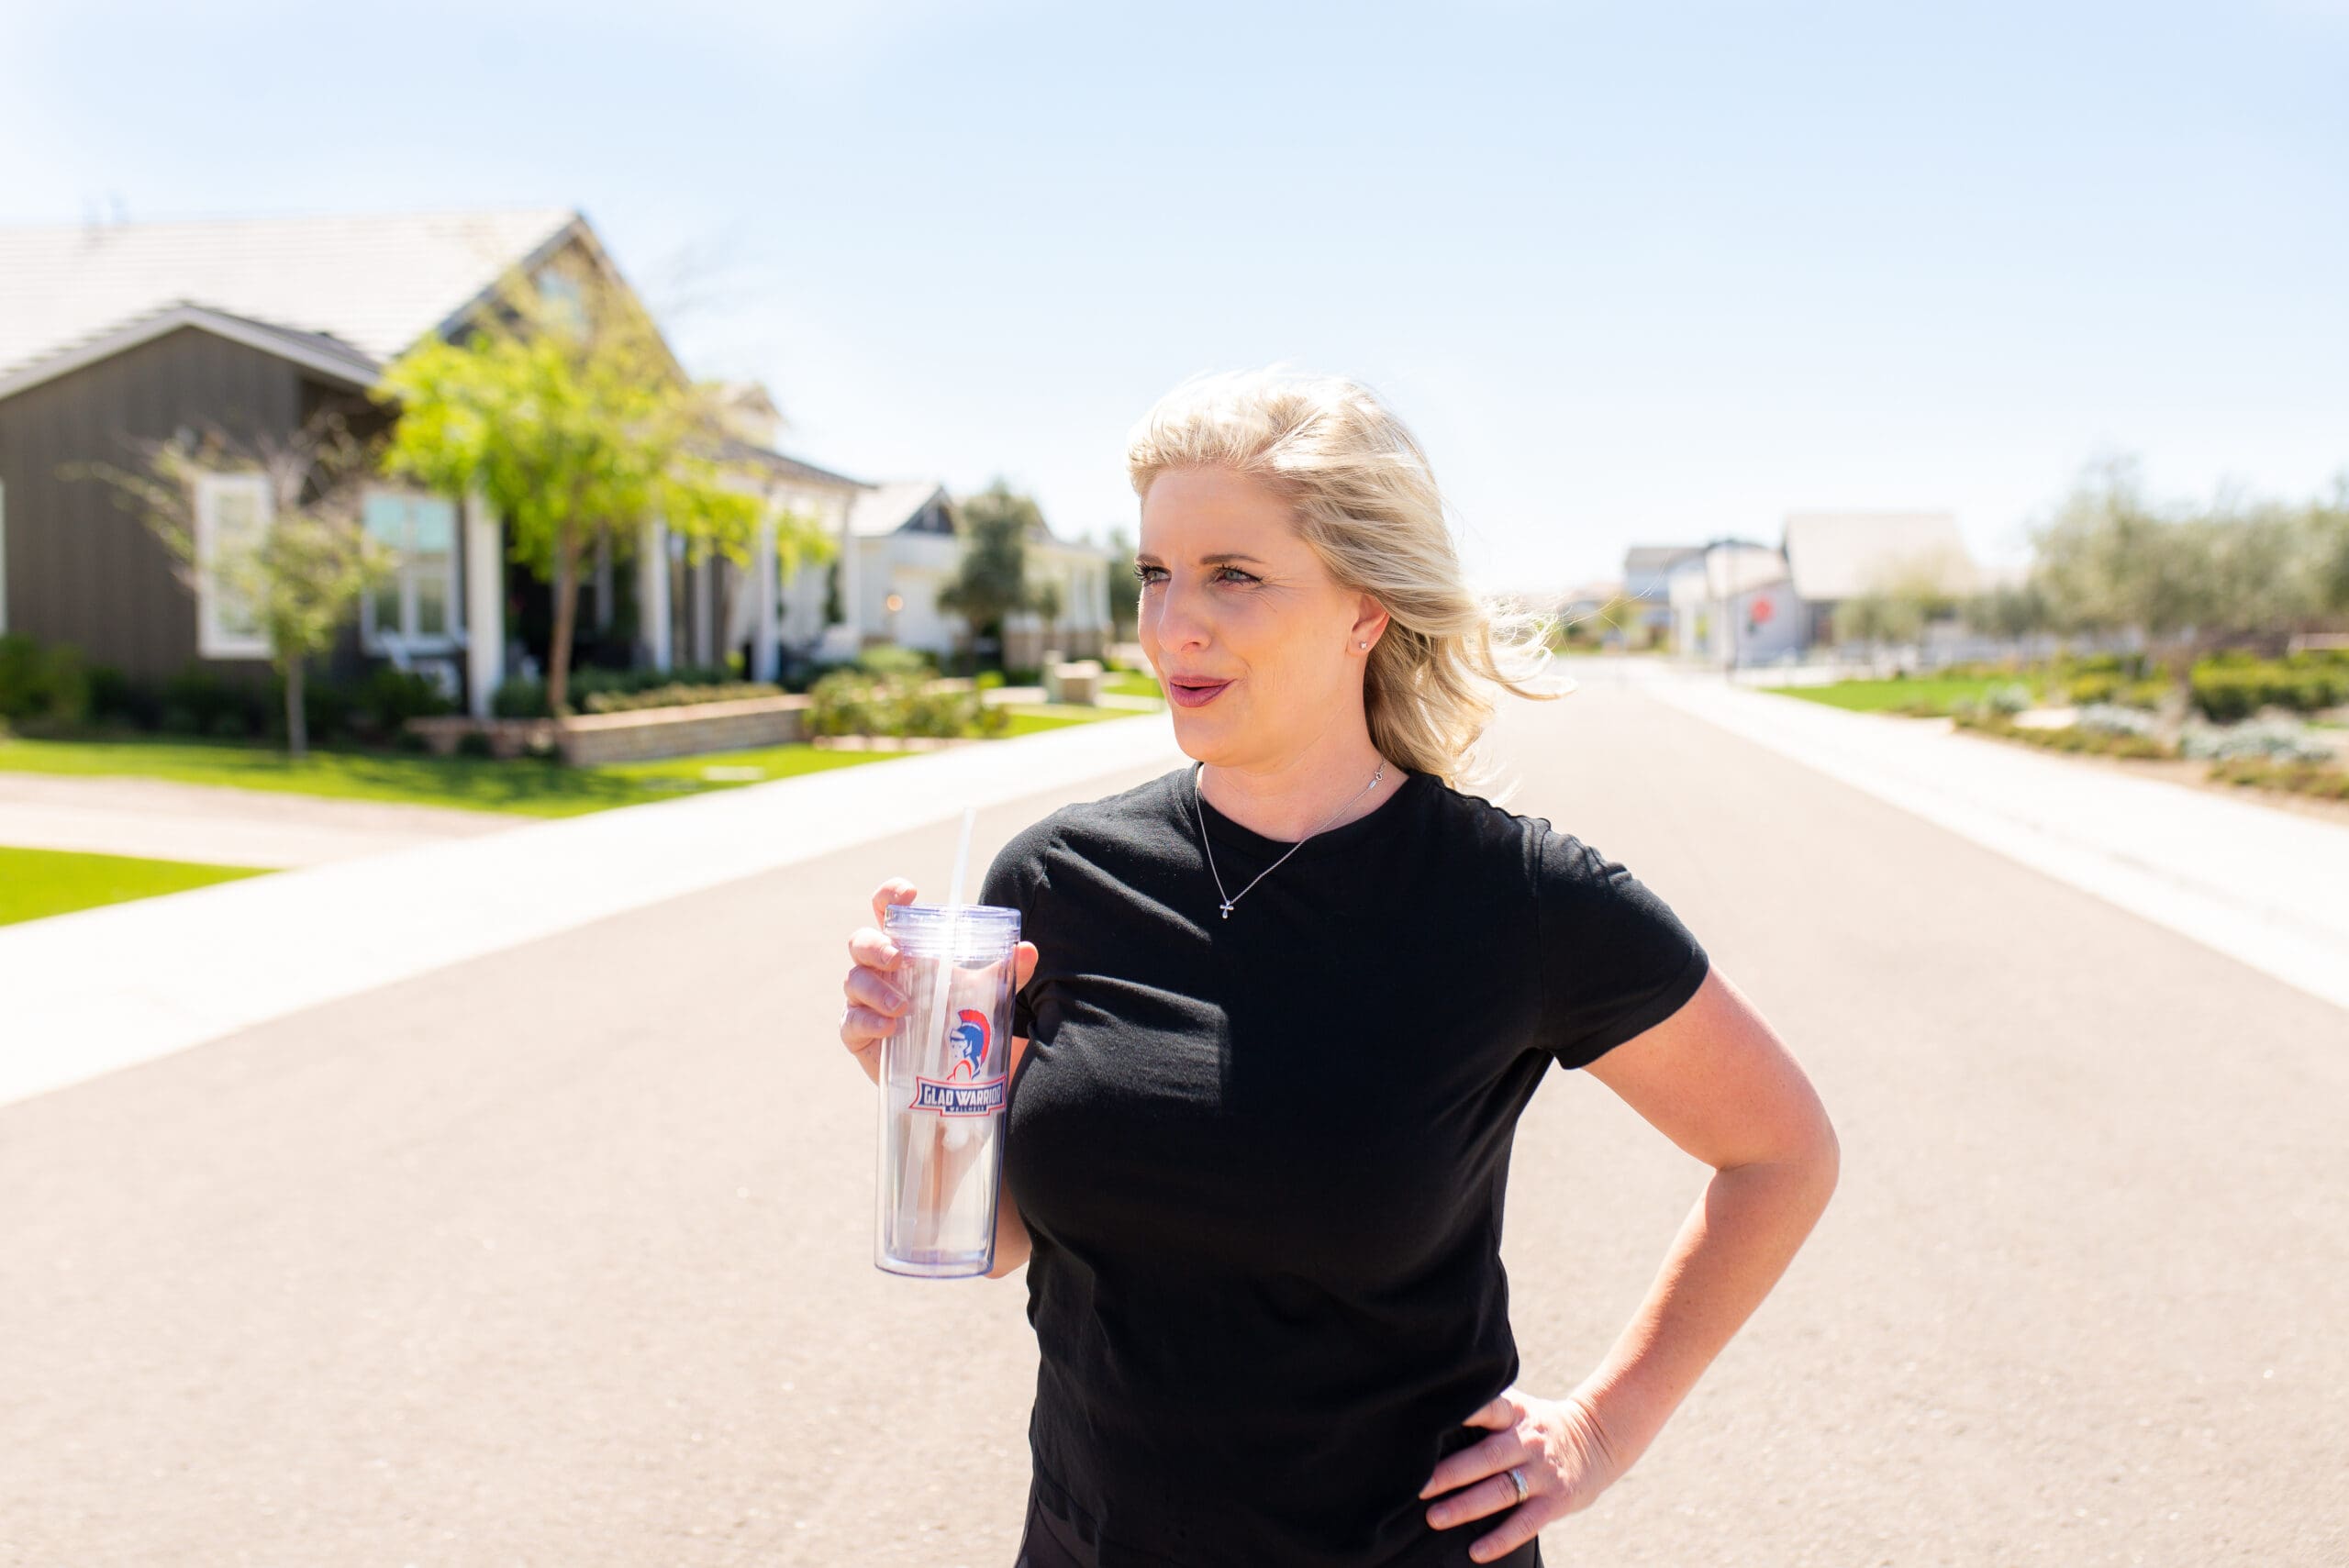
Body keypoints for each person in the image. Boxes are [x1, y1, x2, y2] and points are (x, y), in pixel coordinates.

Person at [838, 366, 1840, 1567]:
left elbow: (1782, 1150)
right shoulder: (1055, 880)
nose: (1174, 624)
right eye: (1156, 572)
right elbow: (1002, 1238)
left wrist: (1601, 1431)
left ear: (1366, 607)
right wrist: (918, 1082)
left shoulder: (1514, 899)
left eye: (1233, 575)